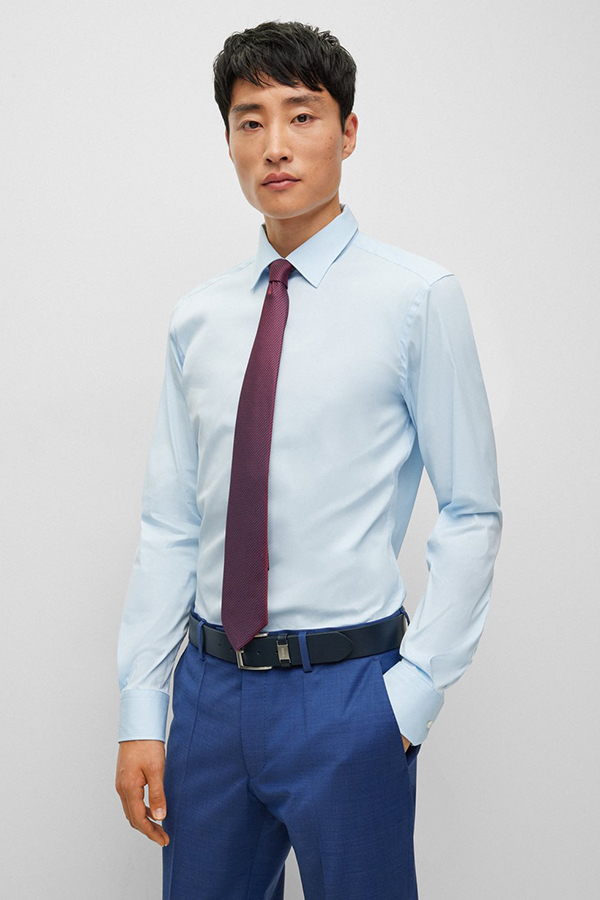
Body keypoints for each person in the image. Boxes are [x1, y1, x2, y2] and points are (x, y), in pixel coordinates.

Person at [115, 19, 503, 900]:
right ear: (227, 140)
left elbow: (472, 509)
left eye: (302, 115)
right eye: (250, 121)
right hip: (207, 697)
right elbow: (170, 522)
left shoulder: (417, 300)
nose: (276, 145)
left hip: (348, 696)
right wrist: (143, 711)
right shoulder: (199, 319)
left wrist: (411, 695)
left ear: (348, 131)